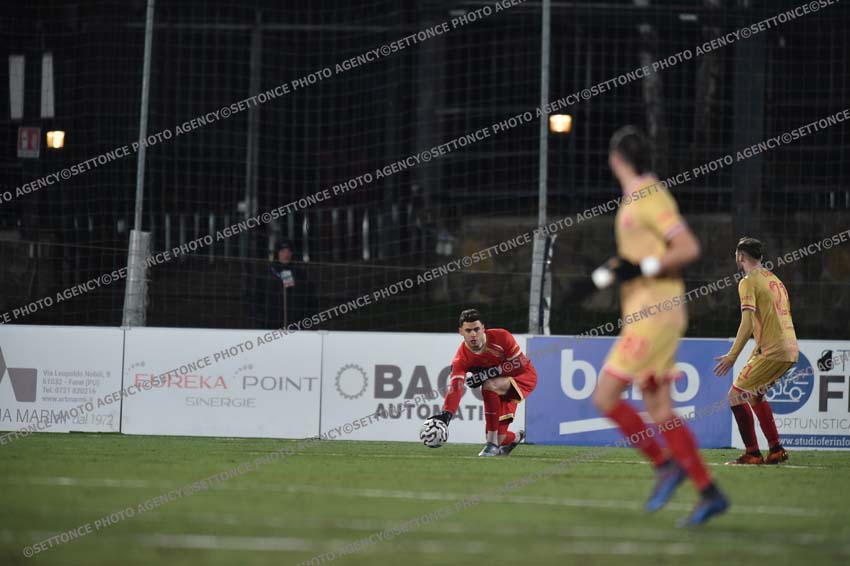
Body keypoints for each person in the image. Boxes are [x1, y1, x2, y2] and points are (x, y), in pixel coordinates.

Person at [589, 126, 728, 526]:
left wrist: (642, 267)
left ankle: (665, 465)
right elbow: (637, 257)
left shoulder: (649, 195)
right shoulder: (634, 198)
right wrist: (605, 274)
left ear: (616, 160)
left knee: (605, 396)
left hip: (654, 314)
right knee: (661, 409)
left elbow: (687, 247)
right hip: (648, 311)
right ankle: (709, 492)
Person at [713, 237, 798, 465]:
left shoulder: (748, 281)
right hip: (790, 348)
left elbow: (748, 323)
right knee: (754, 395)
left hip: (773, 349)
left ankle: (752, 453)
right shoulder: (775, 280)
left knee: (735, 396)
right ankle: (776, 450)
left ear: (741, 256)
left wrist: (733, 355)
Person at [429, 309, 536, 457]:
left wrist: (485, 374)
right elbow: (456, 387)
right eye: (468, 330)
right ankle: (517, 437)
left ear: (483, 328)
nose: (473, 334)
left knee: (488, 385)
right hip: (498, 387)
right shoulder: (461, 359)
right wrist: (446, 415)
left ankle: (490, 444)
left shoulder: (501, 337)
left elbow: (521, 364)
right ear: (461, 332)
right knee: (501, 438)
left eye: (476, 329)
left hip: (522, 377)